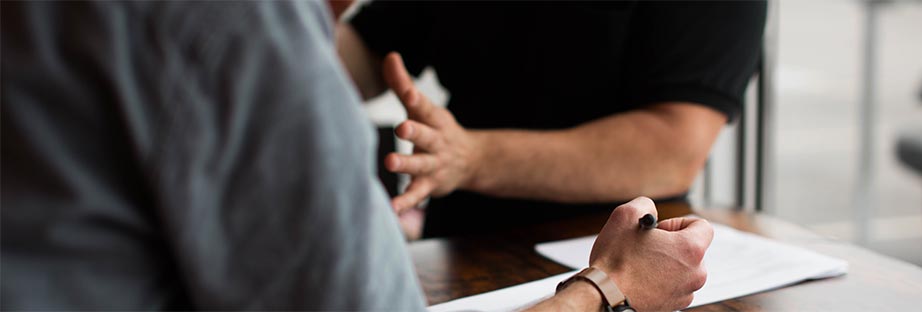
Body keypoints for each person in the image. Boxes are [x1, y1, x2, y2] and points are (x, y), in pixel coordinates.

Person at [1, 1, 712, 311]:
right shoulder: (243, 32)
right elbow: (360, 48)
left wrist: (470, 155)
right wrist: (610, 288)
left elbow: (676, 141)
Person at [335, 1, 768, 238]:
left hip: (616, 251)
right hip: (460, 240)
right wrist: (288, 31)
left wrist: (470, 158)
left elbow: (672, 147)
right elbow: (370, 50)